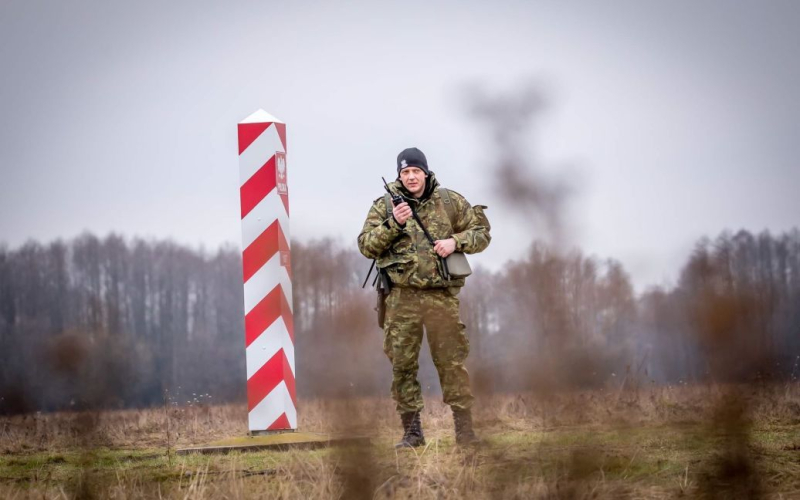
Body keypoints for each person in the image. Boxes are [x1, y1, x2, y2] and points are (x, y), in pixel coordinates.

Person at [357, 147, 491, 447]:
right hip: (401, 298)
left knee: (452, 363)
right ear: (399, 176)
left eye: (416, 171)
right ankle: (412, 433)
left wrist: (455, 242)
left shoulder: (449, 202)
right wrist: (395, 223)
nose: (411, 177)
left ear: (426, 173)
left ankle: (465, 432)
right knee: (402, 365)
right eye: (405, 172)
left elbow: (481, 232)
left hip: (441, 297)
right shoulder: (385, 206)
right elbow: (365, 245)